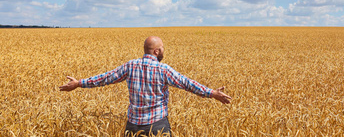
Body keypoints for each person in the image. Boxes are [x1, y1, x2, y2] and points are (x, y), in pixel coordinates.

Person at [59, 36, 232, 136]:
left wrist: (79, 83)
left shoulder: (130, 65)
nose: (164, 51)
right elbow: (187, 84)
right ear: (156, 51)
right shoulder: (164, 69)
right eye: (162, 48)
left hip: (133, 127)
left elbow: (105, 78)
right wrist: (212, 93)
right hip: (158, 126)